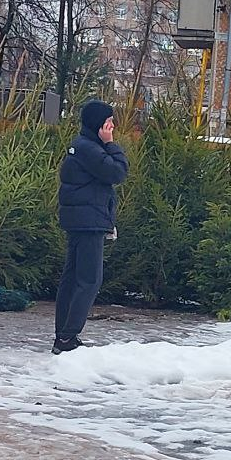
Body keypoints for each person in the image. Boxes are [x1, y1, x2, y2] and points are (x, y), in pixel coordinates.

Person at [54, 100, 128, 354]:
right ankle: (67, 337)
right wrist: (110, 144)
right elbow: (118, 172)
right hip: (89, 222)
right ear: (100, 124)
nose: (113, 126)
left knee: (72, 278)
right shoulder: (91, 149)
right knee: (89, 280)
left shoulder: (82, 146)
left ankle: (63, 337)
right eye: (109, 121)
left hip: (80, 221)